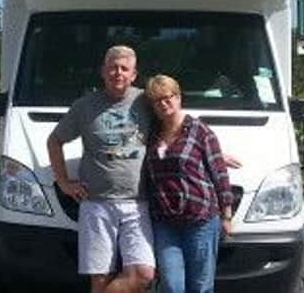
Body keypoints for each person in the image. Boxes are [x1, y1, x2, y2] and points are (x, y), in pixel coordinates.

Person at [47, 45, 155, 293]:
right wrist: (64, 182)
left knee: (143, 274)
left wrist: (211, 153)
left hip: (138, 204)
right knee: (100, 279)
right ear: (103, 72)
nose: (118, 73)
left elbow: (176, 125)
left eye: (124, 69)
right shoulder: (85, 106)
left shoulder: (146, 101)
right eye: (113, 68)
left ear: (134, 74)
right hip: (97, 205)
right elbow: (55, 141)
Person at [144, 74, 233, 293]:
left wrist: (227, 214)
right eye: (158, 100)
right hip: (165, 222)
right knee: (172, 286)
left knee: (201, 287)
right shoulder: (151, 135)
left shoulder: (200, 130)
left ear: (178, 97)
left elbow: (219, 173)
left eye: (168, 97)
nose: (164, 103)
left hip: (200, 219)